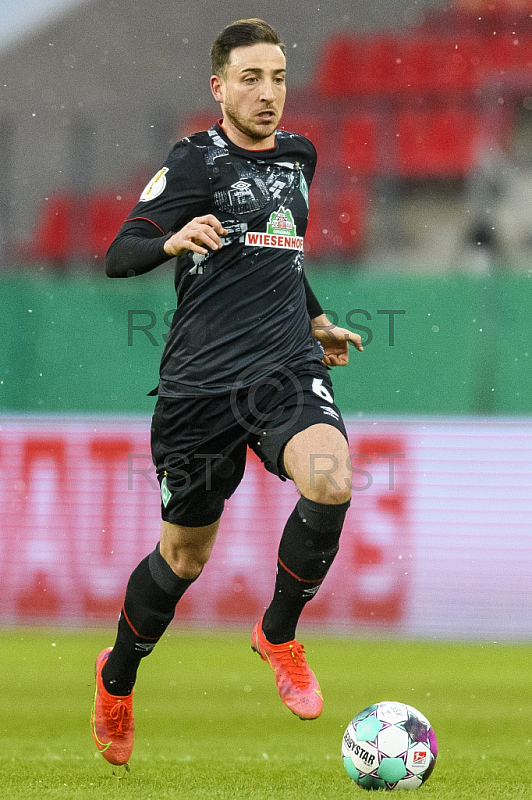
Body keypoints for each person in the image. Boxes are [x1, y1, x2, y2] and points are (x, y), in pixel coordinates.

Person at [91, 18, 363, 768]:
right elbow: (120, 254)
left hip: (284, 369)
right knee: (182, 558)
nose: (268, 92)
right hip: (200, 389)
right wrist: (171, 241)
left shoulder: (299, 156)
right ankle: (116, 681)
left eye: (277, 76)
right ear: (218, 88)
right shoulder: (193, 163)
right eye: (251, 78)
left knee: (332, 479)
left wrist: (318, 320)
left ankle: (277, 633)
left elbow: (281, 251)